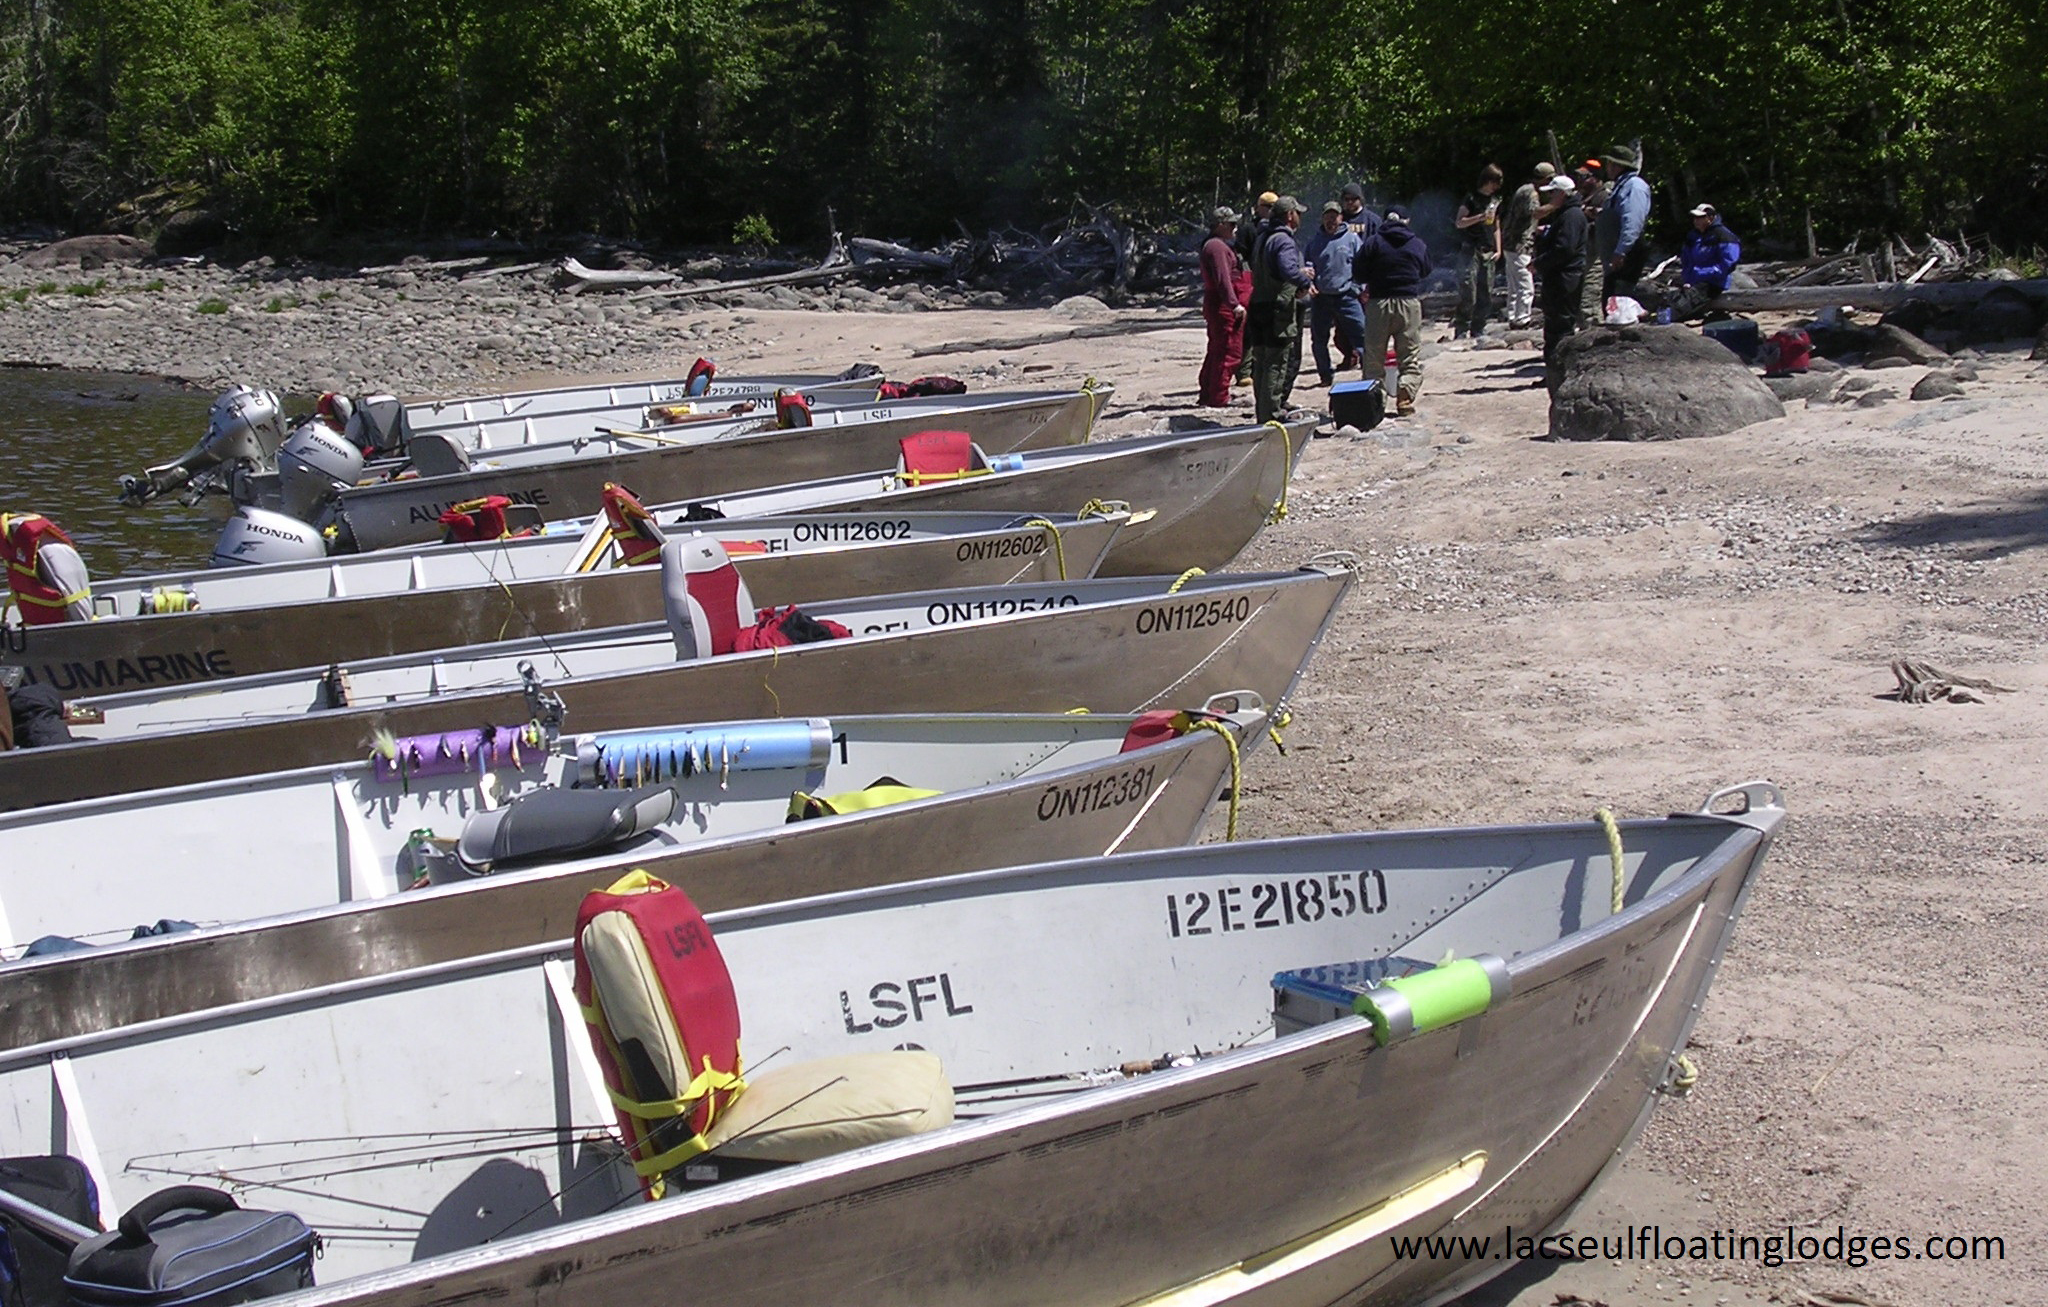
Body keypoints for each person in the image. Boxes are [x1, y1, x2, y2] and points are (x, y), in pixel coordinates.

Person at [1352, 205, 1432, 418]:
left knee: (1373, 356)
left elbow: (1358, 273)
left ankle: (1375, 403)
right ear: (1407, 221)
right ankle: (1404, 398)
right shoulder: (1416, 243)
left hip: (1379, 303)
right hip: (1409, 303)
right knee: (1409, 355)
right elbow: (1426, 270)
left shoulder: (1373, 242)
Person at [1247, 196, 1313, 422]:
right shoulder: (1283, 240)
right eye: (1298, 213)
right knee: (1276, 362)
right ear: (1290, 215)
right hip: (1277, 309)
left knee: (1261, 361)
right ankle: (1271, 416)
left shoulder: (1261, 237)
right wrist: (1304, 282)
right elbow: (1287, 269)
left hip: (1257, 305)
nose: (1300, 217)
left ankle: (1262, 413)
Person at [1530, 173, 1589, 375]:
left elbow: (1564, 248)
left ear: (1562, 194)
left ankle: (1559, 373)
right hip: (1563, 277)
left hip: (1564, 279)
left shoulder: (1571, 215)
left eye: (1552, 193)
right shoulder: (1567, 214)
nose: (1549, 197)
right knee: (1556, 326)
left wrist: (1539, 263)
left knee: (1560, 328)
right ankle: (1554, 373)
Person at [1304, 202, 1367, 387]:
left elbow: (1363, 265)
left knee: (1362, 335)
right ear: (1322, 218)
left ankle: (1370, 371)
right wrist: (1309, 284)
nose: (1331, 221)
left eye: (1334, 217)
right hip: (1321, 298)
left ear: (1341, 218)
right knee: (1319, 339)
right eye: (1327, 217)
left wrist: (1356, 288)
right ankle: (1325, 376)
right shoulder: (1314, 242)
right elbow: (1308, 266)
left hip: (1347, 297)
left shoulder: (1352, 239)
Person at [1197, 206, 1248, 407]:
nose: (1235, 228)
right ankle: (1219, 397)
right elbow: (1223, 279)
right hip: (1223, 306)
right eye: (1232, 224)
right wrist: (1234, 305)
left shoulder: (1215, 245)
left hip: (1220, 303)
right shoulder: (1217, 247)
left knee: (1216, 350)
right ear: (1220, 225)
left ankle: (1209, 394)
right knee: (1228, 351)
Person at [1452, 164, 1504, 339]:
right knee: (1469, 291)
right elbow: (1459, 222)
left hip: (1488, 249)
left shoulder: (1495, 201)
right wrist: (1479, 217)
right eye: (1495, 182)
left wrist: (1498, 248)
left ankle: (1479, 327)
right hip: (1470, 249)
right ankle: (1462, 327)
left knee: (1486, 292)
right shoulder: (1471, 198)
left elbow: (1496, 226)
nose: (1496, 186)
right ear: (1488, 180)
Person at [1596, 144, 1652, 304]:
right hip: (1617, 252)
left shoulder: (1634, 186)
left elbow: (1633, 221)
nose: (1607, 168)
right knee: (1611, 299)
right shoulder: (1621, 186)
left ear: (1617, 165)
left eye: (1609, 163)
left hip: (1627, 253)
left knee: (1619, 300)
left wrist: (1621, 251)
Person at [1501, 162, 1554, 329]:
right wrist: (1556, 204)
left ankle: (1513, 316)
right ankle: (1523, 318)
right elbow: (1535, 212)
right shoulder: (1531, 193)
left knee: (1514, 285)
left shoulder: (1524, 189)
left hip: (1511, 242)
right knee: (1525, 285)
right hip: (1519, 244)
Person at [1232, 192, 1277, 388]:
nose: (1271, 211)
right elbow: (1240, 256)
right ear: (1259, 208)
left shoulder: (1277, 230)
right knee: (1248, 329)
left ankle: (1261, 368)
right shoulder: (1249, 229)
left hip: (1271, 286)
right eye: (1268, 207)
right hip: (1250, 284)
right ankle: (1243, 371)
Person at [1668, 203, 1741, 321]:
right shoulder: (1692, 236)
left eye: (1700, 217)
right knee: (1670, 298)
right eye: (1695, 217)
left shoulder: (1724, 236)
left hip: (1714, 282)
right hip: (1693, 281)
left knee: (1681, 305)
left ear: (1710, 218)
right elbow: (1686, 260)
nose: (1696, 221)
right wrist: (1688, 280)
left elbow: (1728, 264)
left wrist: (1702, 273)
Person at [1574, 165, 1609, 329]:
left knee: (1590, 293)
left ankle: (1593, 329)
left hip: (1596, 253)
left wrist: (1589, 215)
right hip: (1582, 252)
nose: (1580, 181)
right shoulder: (1581, 197)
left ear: (1595, 178)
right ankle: (1583, 327)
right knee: (1579, 293)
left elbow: (1605, 222)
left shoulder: (1604, 196)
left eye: (1584, 177)